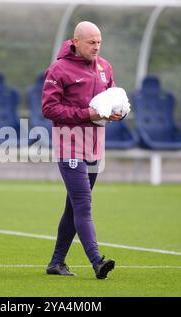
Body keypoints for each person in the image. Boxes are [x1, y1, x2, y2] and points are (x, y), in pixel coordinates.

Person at [42, 21, 123, 279]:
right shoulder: (58, 69)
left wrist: (118, 113)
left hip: (95, 148)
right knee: (83, 205)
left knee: (73, 208)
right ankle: (97, 261)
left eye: (99, 41)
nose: (96, 46)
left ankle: (56, 263)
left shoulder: (105, 67)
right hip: (70, 146)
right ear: (75, 41)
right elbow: (49, 109)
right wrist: (85, 114)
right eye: (91, 42)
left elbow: (111, 100)